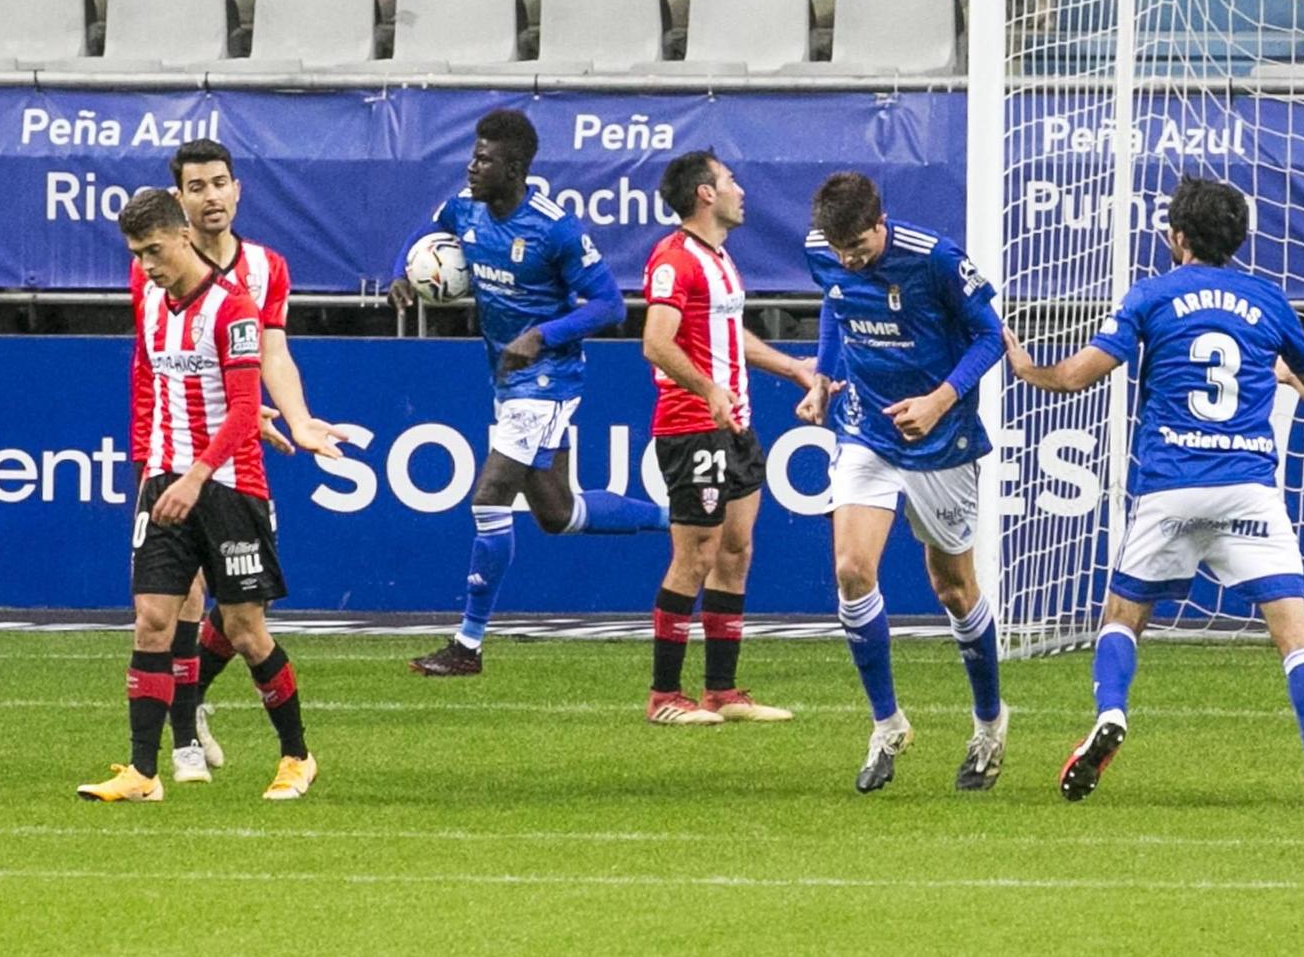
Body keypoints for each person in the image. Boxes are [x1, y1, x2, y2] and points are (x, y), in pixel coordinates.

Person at [1002, 177, 1304, 808]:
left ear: (1179, 237)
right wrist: (1277, 369)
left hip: (1172, 488)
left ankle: (1112, 711)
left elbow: (1080, 376)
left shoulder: (1152, 295)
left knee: (1122, 617)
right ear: (1238, 239)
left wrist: (1030, 368)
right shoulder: (1269, 301)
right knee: (1297, 636)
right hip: (1248, 488)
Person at [389, 109, 670, 677]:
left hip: (549, 379)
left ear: (514, 168)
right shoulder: (463, 210)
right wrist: (401, 271)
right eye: (473, 154)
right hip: (506, 375)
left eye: (485, 159)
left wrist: (542, 336)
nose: (472, 166)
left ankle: (466, 646)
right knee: (556, 512)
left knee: (490, 494)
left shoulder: (554, 229)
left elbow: (610, 305)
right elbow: (422, 237)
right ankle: (678, 515)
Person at [80, 188, 317, 802]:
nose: (147, 264)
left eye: (153, 250)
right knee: (153, 623)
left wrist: (200, 472)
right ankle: (143, 772)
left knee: (243, 630)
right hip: (165, 481)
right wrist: (163, 472)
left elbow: (238, 406)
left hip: (228, 487)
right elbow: (168, 391)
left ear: (182, 235)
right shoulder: (153, 303)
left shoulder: (232, 308)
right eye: (136, 254)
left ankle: (296, 756)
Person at [142, 139, 348, 785]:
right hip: (173, 450)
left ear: (238, 190)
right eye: (196, 185)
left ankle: (200, 702)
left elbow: (270, 357)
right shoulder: (156, 264)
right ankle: (181, 745)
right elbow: (158, 360)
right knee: (175, 601)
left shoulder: (264, 269)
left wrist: (291, 414)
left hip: (233, 459)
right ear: (180, 199)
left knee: (239, 618)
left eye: (220, 182)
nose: (211, 195)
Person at [797, 171, 1007, 792]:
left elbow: (992, 336)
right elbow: (835, 308)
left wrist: (940, 401)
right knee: (851, 570)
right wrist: (822, 379)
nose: (849, 259)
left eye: (858, 247)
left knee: (953, 589)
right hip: (866, 429)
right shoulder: (823, 252)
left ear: (880, 221)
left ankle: (989, 725)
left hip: (940, 437)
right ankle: (887, 723)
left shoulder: (935, 259)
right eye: (840, 250)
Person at [640, 150, 810, 725]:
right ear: (705, 194)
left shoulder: (719, 260)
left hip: (733, 424)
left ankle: (722, 691)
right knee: (696, 556)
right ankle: (664, 696)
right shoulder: (674, 258)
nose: (741, 190)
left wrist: (792, 368)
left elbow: (730, 337)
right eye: (731, 181)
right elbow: (656, 343)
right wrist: (709, 390)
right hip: (692, 426)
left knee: (736, 552)